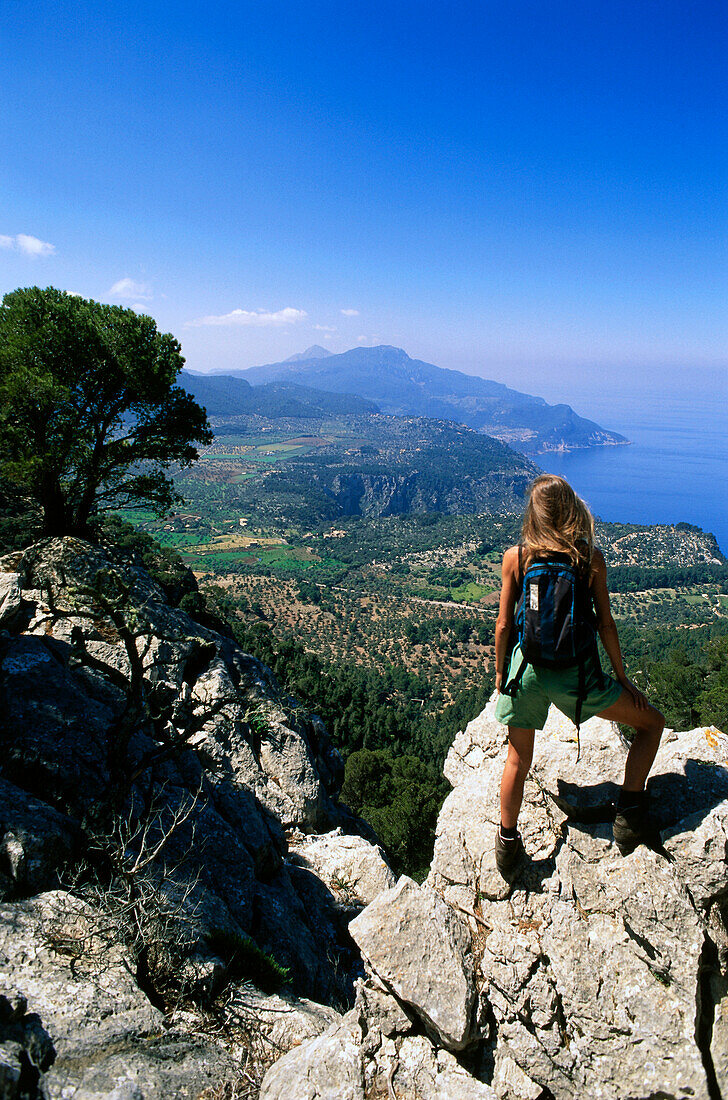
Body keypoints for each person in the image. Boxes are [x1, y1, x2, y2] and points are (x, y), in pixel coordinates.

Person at [493, 474, 664, 877]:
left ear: (532, 515)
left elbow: (503, 625)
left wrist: (502, 673)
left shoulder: (517, 557)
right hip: (577, 678)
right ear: (572, 511)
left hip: (528, 673)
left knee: (517, 758)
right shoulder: (589, 559)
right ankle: (628, 815)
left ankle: (506, 845)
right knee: (652, 724)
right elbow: (606, 625)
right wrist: (623, 679)